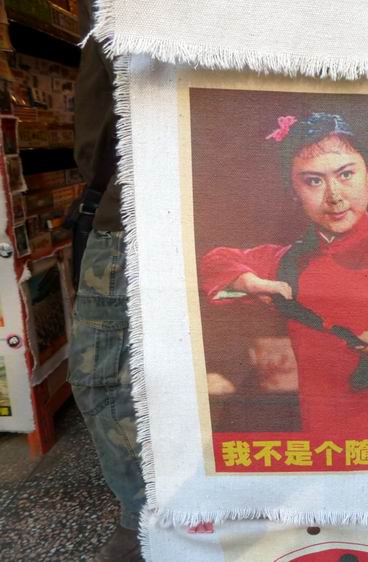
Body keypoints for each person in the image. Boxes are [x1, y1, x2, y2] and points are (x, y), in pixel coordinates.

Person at [200, 113, 368, 435]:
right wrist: (249, 282)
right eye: (313, 181)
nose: (334, 196)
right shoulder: (287, 262)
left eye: (346, 174)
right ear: (293, 190)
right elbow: (215, 261)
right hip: (322, 443)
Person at [66, 1, 145, 560]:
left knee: (101, 376)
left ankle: (141, 514)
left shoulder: (120, 7)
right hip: (254, 201)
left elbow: (96, 143)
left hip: (132, 211)